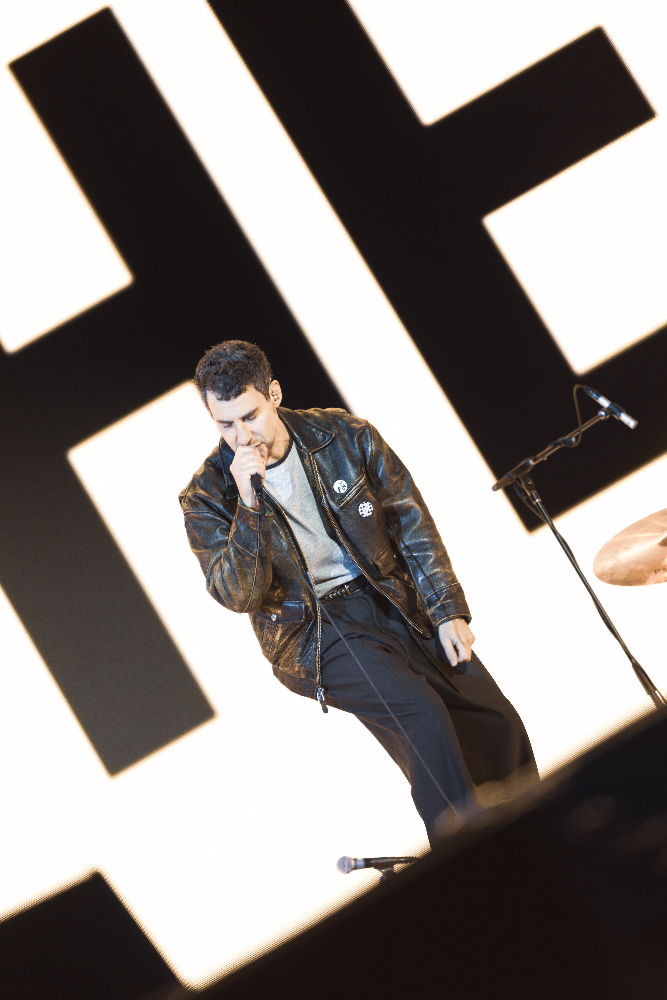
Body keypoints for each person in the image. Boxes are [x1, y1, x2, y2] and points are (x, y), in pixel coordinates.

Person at [180, 340, 536, 843]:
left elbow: (408, 521)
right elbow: (238, 594)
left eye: (250, 416)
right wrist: (249, 505)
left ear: (274, 394)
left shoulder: (344, 436)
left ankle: (536, 838)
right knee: (423, 718)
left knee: (495, 719)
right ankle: (470, 865)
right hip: (315, 630)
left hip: (390, 598)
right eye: (225, 424)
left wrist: (446, 610)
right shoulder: (207, 496)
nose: (241, 435)